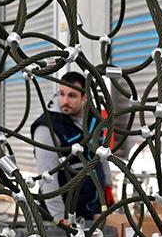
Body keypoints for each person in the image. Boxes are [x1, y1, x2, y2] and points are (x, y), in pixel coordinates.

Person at [30, 71, 112, 222]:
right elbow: (47, 179)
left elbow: (102, 155)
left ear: (84, 97)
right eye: (62, 94)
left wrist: (108, 185)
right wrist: (60, 218)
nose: (65, 101)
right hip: (63, 213)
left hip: (91, 208)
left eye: (72, 96)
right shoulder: (47, 128)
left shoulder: (94, 119)